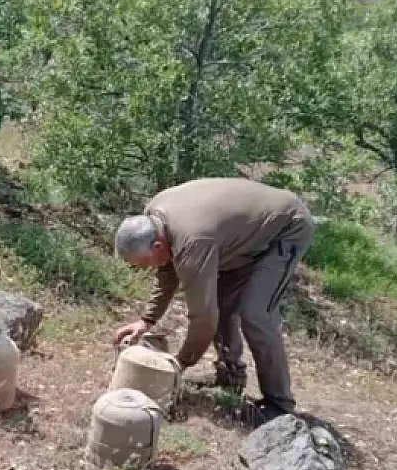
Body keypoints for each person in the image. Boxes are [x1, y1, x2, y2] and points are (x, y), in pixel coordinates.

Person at [110, 177, 315, 425]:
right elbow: (167, 270)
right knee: (223, 304)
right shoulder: (154, 218)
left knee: (256, 314)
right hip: (239, 237)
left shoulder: (193, 240)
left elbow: (203, 317)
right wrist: (146, 321)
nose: (144, 269)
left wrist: (179, 363)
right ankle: (230, 376)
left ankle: (279, 404)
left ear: (157, 245)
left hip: (285, 227)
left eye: (143, 264)